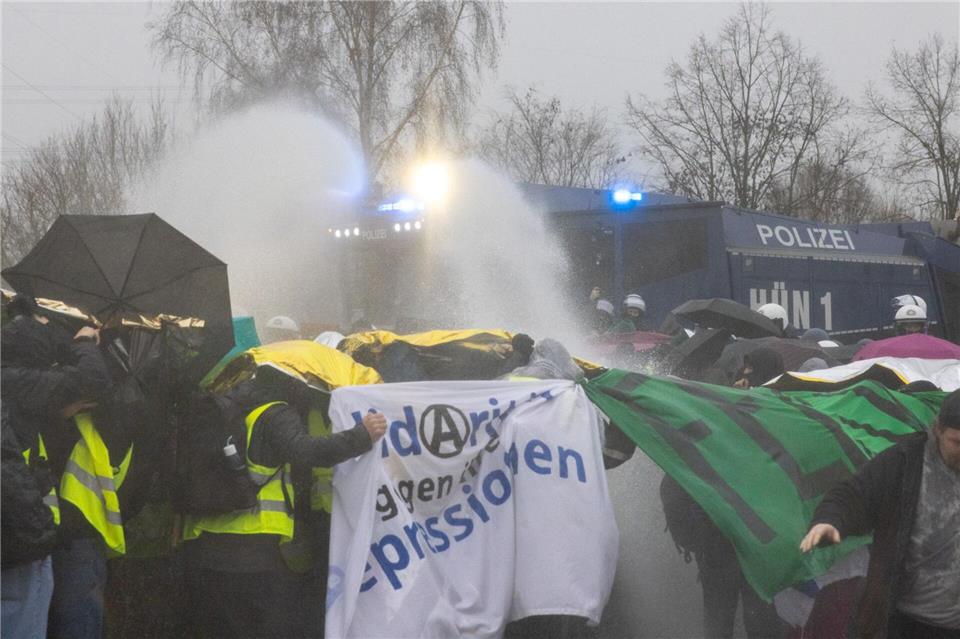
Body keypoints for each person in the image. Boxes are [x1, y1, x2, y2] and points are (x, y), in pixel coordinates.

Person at [181, 373, 387, 639]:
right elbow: (305, 451)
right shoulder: (274, 412)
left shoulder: (225, 406)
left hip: (204, 544)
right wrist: (362, 435)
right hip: (253, 549)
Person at [800, 389, 960, 639]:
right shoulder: (904, 462)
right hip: (904, 621)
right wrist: (830, 520)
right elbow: (853, 495)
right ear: (937, 429)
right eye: (957, 443)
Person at [1, 296, 110, 639]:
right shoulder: (19, 380)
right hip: (20, 542)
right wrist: (84, 342)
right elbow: (94, 378)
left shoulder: (15, 387)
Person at [661, 346, 789, 639]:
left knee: (759, 617)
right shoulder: (720, 410)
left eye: (752, 371)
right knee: (723, 616)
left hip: (758, 542)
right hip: (721, 537)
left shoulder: (779, 415)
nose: (744, 377)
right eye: (743, 370)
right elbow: (685, 468)